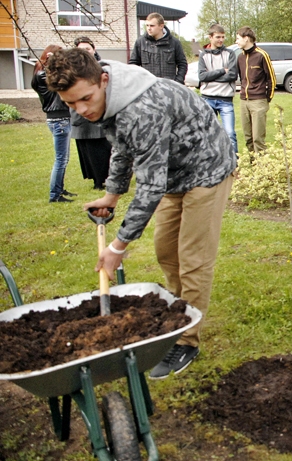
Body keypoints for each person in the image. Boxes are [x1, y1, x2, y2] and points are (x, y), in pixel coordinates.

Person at [45, 48, 236, 380]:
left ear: (103, 79)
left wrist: (118, 246)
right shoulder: (107, 98)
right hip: (175, 173)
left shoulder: (141, 107)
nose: (81, 110)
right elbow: (122, 145)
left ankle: (186, 340)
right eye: (71, 104)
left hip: (207, 169)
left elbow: (150, 185)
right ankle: (182, 313)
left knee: (193, 257)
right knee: (166, 251)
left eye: (86, 99)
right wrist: (112, 194)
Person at [32, 45, 74, 203]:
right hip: (59, 119)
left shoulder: (39, 74)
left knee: (64, 158)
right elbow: (65, 80)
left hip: (56, 118)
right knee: (61, 159)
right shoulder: (45, 75)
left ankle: (59, 189)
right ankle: (55, 195)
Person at [71, 36, 112, 190]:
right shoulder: (71, 69)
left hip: (101, 112)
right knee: (89, 151)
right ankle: (97, 181)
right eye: (81, 50)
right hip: (82, 115)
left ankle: (109, 177)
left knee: (105, 147)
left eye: (87, 49)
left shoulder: (103, 66)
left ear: (93, 49)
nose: (85, 52)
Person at [235, 26, 276, 157]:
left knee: (258, 138)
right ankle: (254, 167)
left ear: (246, 38)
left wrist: (266, 98)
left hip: (258, 101)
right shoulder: (240, 57)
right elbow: (241, 78)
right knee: (248, 138)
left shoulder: (262, 55)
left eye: (238, 38)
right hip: (243, 101)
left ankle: (263, 170)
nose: (236, 41)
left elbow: (271, 78)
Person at [199, 24, 238, 153]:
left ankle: (234, 166)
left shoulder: (230, 54)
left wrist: (211, 77)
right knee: (208, 133)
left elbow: (232, 75)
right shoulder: (203, 55)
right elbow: (202, 76)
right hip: (207, 99)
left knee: (230, 133)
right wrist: (222, 71)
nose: (221, 40)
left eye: (223, 37)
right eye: (218, 37)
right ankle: (211, 164)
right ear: (210, 37)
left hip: (225, 100)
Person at [129, 12, 188, 84]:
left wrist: (178, 81)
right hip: (148, 87)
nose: (149, 28)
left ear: (161, 26)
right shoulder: (140, 42)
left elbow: (182, 64)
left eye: (152, 26)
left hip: (169, 87)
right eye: (147, 25)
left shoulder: (174, 43)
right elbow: (133, 65)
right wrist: (139, 82)